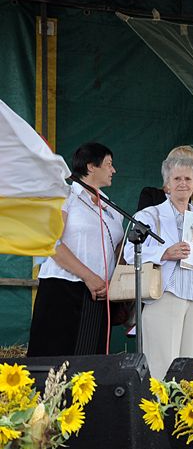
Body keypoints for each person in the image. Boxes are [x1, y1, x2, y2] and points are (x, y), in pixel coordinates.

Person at [125, 156, 193, 379]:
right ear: (166, 184)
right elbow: (130, 254)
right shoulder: (148, 215)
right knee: (162, 364)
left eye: (188, 178)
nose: (183, 183)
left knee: (191, 366)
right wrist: (164, 253)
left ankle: (185, 413)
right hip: (166, 294)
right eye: (177, 178)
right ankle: (159, 411)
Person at [28, 143, 123, 357]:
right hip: (63, 289)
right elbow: (51, 242)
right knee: (55, 358)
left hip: (99, 294)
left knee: (89, 362)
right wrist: (89, 277)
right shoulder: (65, 195)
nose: (113, 170)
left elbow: (117, 248)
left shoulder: (112, 207)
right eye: (109, 164)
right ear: (91, 166)